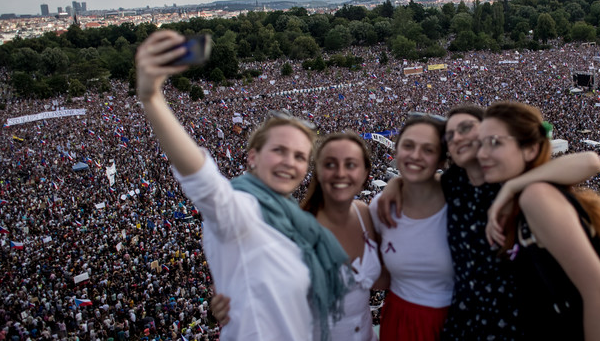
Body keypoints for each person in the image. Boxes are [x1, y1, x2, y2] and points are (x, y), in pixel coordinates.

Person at [134, 30, 350, 341]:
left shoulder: (296, 221)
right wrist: (152, 98)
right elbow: (203, 180)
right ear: (252, 157)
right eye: (278, 150)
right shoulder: (240, 210)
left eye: (300, 156)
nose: (290, 161)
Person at [378, 104, 600, 340]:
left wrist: (514, 186)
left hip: (515, 326)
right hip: (463, 326)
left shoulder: (508, 176)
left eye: (466, 128)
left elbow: (590, 162)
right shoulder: (453, 183)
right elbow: (419, 179)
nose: (457, 138)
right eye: (450, 135)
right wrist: (397, 183)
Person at [212, 131, 386, 340]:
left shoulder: (363, 213)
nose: (341, 173)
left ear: (366, 173)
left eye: (351, 164)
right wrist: (225, 302)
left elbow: (380, 281)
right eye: (331, 164)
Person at [476, 101, 600, 341]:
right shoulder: (520, 195)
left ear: (530, 149)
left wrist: (514, 185)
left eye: (495, 143)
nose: (482, 153)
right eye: (480, 143)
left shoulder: (536, 197)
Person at [368, 114, 453, 341]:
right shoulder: (382, 206)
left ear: (442, 159)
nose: (415, 155)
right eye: (408, 145)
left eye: (428, 149)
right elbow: (380, 275)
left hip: (454, 323)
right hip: (400, 322)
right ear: (397, 151)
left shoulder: (461, 202)